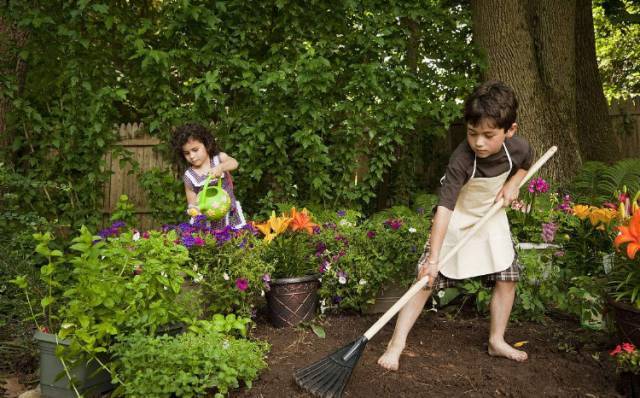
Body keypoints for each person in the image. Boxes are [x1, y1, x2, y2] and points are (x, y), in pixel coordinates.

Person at [378, 80, 534, 371]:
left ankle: (496, 340)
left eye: (489, 135)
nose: (479, 143)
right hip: (456, 221)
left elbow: (527, 162)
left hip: (490, 218)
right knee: (425, 280)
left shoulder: (518, 147)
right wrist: (434, 259)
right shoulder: (462, 159)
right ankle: (396, 343)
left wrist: (514, 183)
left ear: (510, 130)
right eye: (473, 133)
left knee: (508, 276)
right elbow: (445, 208)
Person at [171, 123, 246, 229]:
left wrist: (221, 167)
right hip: (208, 220)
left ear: (207, 145)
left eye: (195, 150)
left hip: (230, 214)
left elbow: (234, 163)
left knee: (234, 242)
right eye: (187, 153)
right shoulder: (189, 176)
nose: (192, 156)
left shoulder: (219, 159)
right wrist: (194, 210)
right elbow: (192, 202)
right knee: (211, 244)